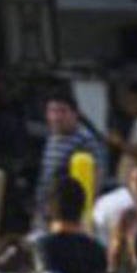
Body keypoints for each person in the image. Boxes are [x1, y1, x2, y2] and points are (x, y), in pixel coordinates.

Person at [34, 91, 109, 226]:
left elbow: (97, 176)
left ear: (75, 113)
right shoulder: (53, 136)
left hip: (66, 215)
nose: (56, 117)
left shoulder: (85, 140)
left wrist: (82, 213)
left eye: (62, 111)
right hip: (44, 209)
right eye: (52, 111)